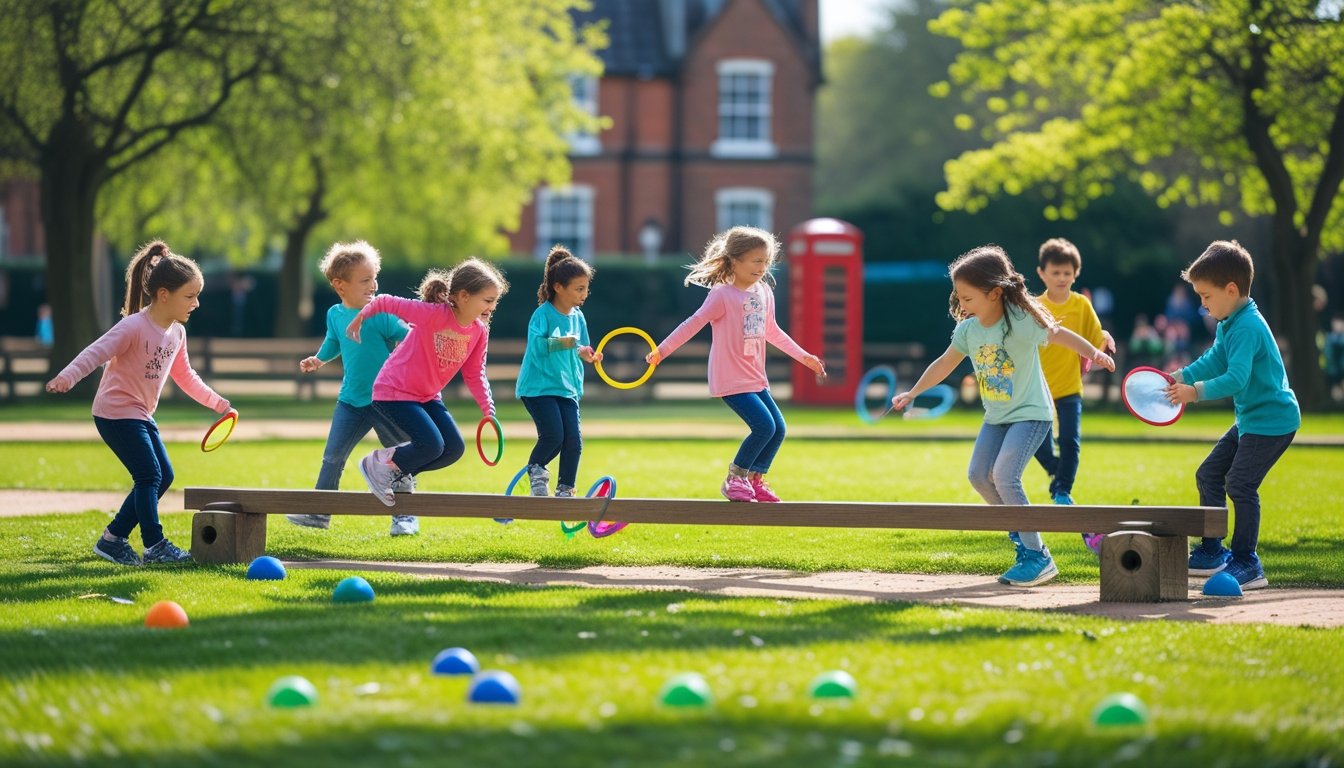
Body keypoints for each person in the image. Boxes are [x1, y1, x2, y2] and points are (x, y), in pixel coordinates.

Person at [890, 245, 1114, 587]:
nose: (961, 305)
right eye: (959, 298)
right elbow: (944, 363)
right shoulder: (969, 330)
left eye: (968, 298)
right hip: (996, 417)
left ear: (994, 293)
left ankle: (1036, 555)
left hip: (1032, 414)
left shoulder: (1021, 321)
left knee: (1005, 475)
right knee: (979, 475)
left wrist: (1095, 352)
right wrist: (913, 392)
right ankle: (1024, 543)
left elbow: (1058, 334)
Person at [45, 240, 232, 566]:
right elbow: (96, 352)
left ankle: (112, 539)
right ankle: (154, 544)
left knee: (164, 476)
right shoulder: (133, 326)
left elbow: (186, 377)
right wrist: (67, 377)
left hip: (140, 414)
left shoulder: (176, 334)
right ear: (163, 295)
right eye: (190, 296)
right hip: (115, 413)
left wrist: (218, 403)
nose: (197, 303)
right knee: (148, 475)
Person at [647, 226, 825, 502]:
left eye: (766, 261)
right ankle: (735, 478)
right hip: (730, 377)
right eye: (756, 261)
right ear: (735, 260)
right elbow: (693, 323)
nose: (762, 267)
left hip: (755, 376)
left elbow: (772, 331)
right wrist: (661, 351)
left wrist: (804, 357)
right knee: (764, 426)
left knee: (778, 429)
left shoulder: (764, 291)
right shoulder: (722, 295)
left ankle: (755, 480)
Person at [1165, 240, 1299, 590]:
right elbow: (1215, 361)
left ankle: (1247, 563)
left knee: (1240, 484)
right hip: (1251, 420)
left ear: (1231, 289)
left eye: (1206, 296)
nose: (1202, 304)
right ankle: (1212, 551)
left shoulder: (1247, 326)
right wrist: (1180, 377)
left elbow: (1236, 377)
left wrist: (1193, 394)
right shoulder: (1229, 322)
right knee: (1209, 474)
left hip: (1272, 422)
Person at [346, 258, 507, 510]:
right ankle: (378, 463)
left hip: (427, 396)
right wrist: (360, 318)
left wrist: (487, 407)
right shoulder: (433, 315)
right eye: (487, 300)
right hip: (393, 391)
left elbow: (475, 373)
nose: (492, 307)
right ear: (463, 296)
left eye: (495, 301)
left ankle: (398, 473)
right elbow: (386, 301)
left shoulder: (478, 331)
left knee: (453, 449)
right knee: (432, 444)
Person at [289, 241, 417, 535]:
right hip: (351, 401)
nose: (373, 285)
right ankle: (319, 513)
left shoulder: (380, 313)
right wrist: (319, 359)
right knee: (333, 457)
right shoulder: (335, 314)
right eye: (364, 280)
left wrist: (405, 354)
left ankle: (405, 517)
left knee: (399, 459)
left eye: (374, 278)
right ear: (339, 285)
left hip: (386, 401)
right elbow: (334, 341)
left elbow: (408, 335)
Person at [1030, 238, 1115, 554]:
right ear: (1042, 273)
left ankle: (1062, 489)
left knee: (1071, 441)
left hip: (1068, 389)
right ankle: (1057, 471)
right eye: (1055, 272)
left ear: (1075, 273)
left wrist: (1105, 340)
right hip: (1036, 391)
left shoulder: (1081, 305)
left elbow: (1096, 336)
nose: (1061, 278)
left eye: (1067, 272)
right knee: (1037, 444)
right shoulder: (1034, 307)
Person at [516, 245, 602, 498]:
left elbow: (581, 347)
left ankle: (566, 488)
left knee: (573, 443)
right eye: (579, 288)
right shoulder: (542, 315)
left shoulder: (578, 317)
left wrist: (588, 355)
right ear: (558, 287)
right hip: (538, 387)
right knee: (554, 436)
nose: (584, 294)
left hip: (567, 388)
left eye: (586, 288)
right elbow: (538, 348)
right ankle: (536, 469)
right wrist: (570, 343)